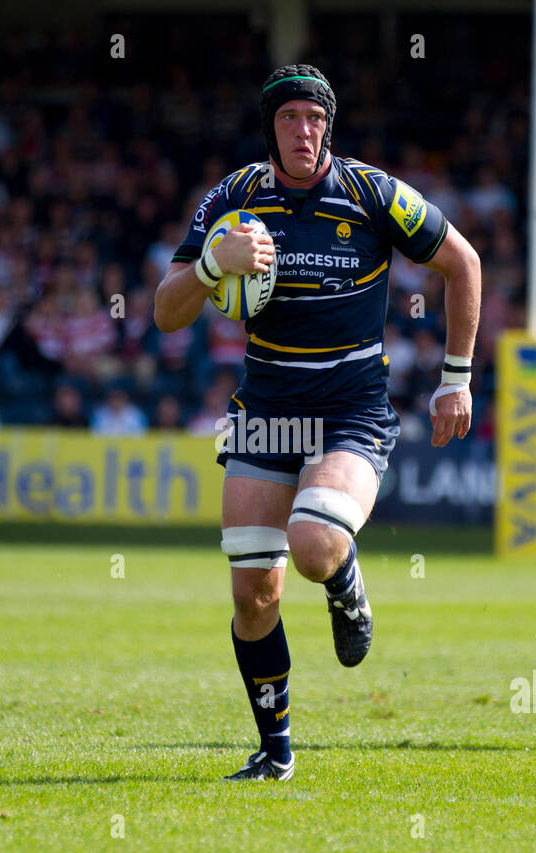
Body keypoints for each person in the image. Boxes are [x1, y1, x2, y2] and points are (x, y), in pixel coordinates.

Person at [154, 65, 480, 780]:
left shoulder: (370, 193)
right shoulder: (234, 198)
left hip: (351, 411)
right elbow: (166, 311)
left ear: (328, 125)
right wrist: (213, 263)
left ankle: (345, 582)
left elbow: (463, 262)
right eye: (290, 118)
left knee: (311, 546)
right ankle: (275, 752)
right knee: (252, 590)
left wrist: (456, 379)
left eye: (314, 118)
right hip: (267, 410)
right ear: (271, 127)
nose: (304, 130)